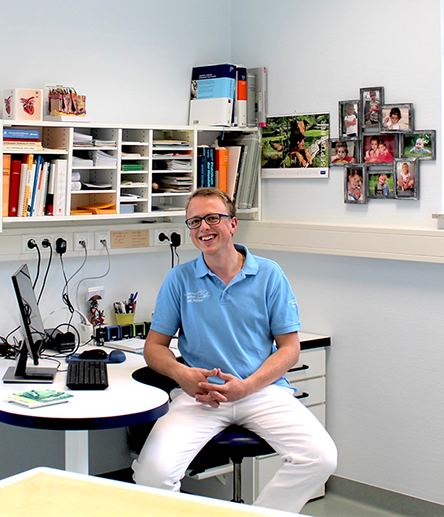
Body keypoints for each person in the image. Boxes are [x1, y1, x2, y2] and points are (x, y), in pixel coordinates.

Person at [132, 188, 337, 513]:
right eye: (194, 221)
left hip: (261, 391)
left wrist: (247, 386)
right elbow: (154, 347)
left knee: (321, 458)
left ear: (233, 224)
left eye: (212, 218)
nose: (203, 227)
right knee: (151, 476)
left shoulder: (269, 274)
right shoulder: (180, 279)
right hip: (202, 396)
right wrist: (182, 375)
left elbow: (290, 349)